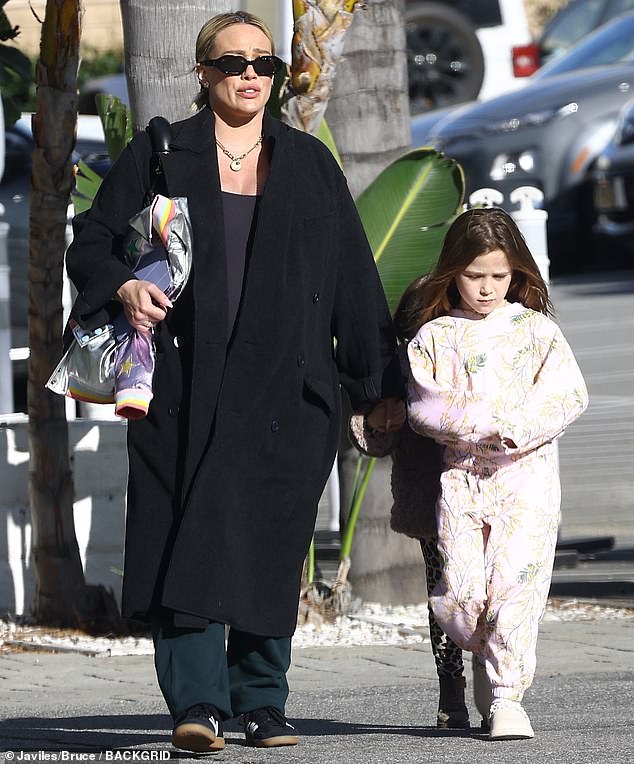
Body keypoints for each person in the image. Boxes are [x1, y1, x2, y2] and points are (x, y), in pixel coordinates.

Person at [64, 10, 403, 754]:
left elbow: (353, 278)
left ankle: (263, 702)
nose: (251, 75)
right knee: (183, 531)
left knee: (269, 543)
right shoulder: (160, 153)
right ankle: (196, 704)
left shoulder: (310, 164)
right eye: (234, 63)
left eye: (264, 64)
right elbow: (89, 244)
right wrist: (122, 286)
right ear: (203, 73)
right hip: (182, 388)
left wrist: (378, 384)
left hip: (290, 390)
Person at [405, 207, 588, 740]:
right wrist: (481, 424)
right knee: (462, 597)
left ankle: (508, 696)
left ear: (517, 274)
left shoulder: (537, 333)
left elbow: (568, 394)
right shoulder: (435, 336)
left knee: (515, 585)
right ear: (451, 272)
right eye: (474, 275)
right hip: (461, 480)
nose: (486, 289)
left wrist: (514, 429)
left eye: (499, 277)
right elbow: (423, 407)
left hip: (526, 480)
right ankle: (486, 654)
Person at [348, 275, 470, 730]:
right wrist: (385, 418)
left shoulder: (478, 353)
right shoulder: (401, 368)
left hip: (488, 495)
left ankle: (496, 683)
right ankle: (451, 687)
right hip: (432, 504)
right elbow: (371, 438)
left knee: (491, 589)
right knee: (444, 593)